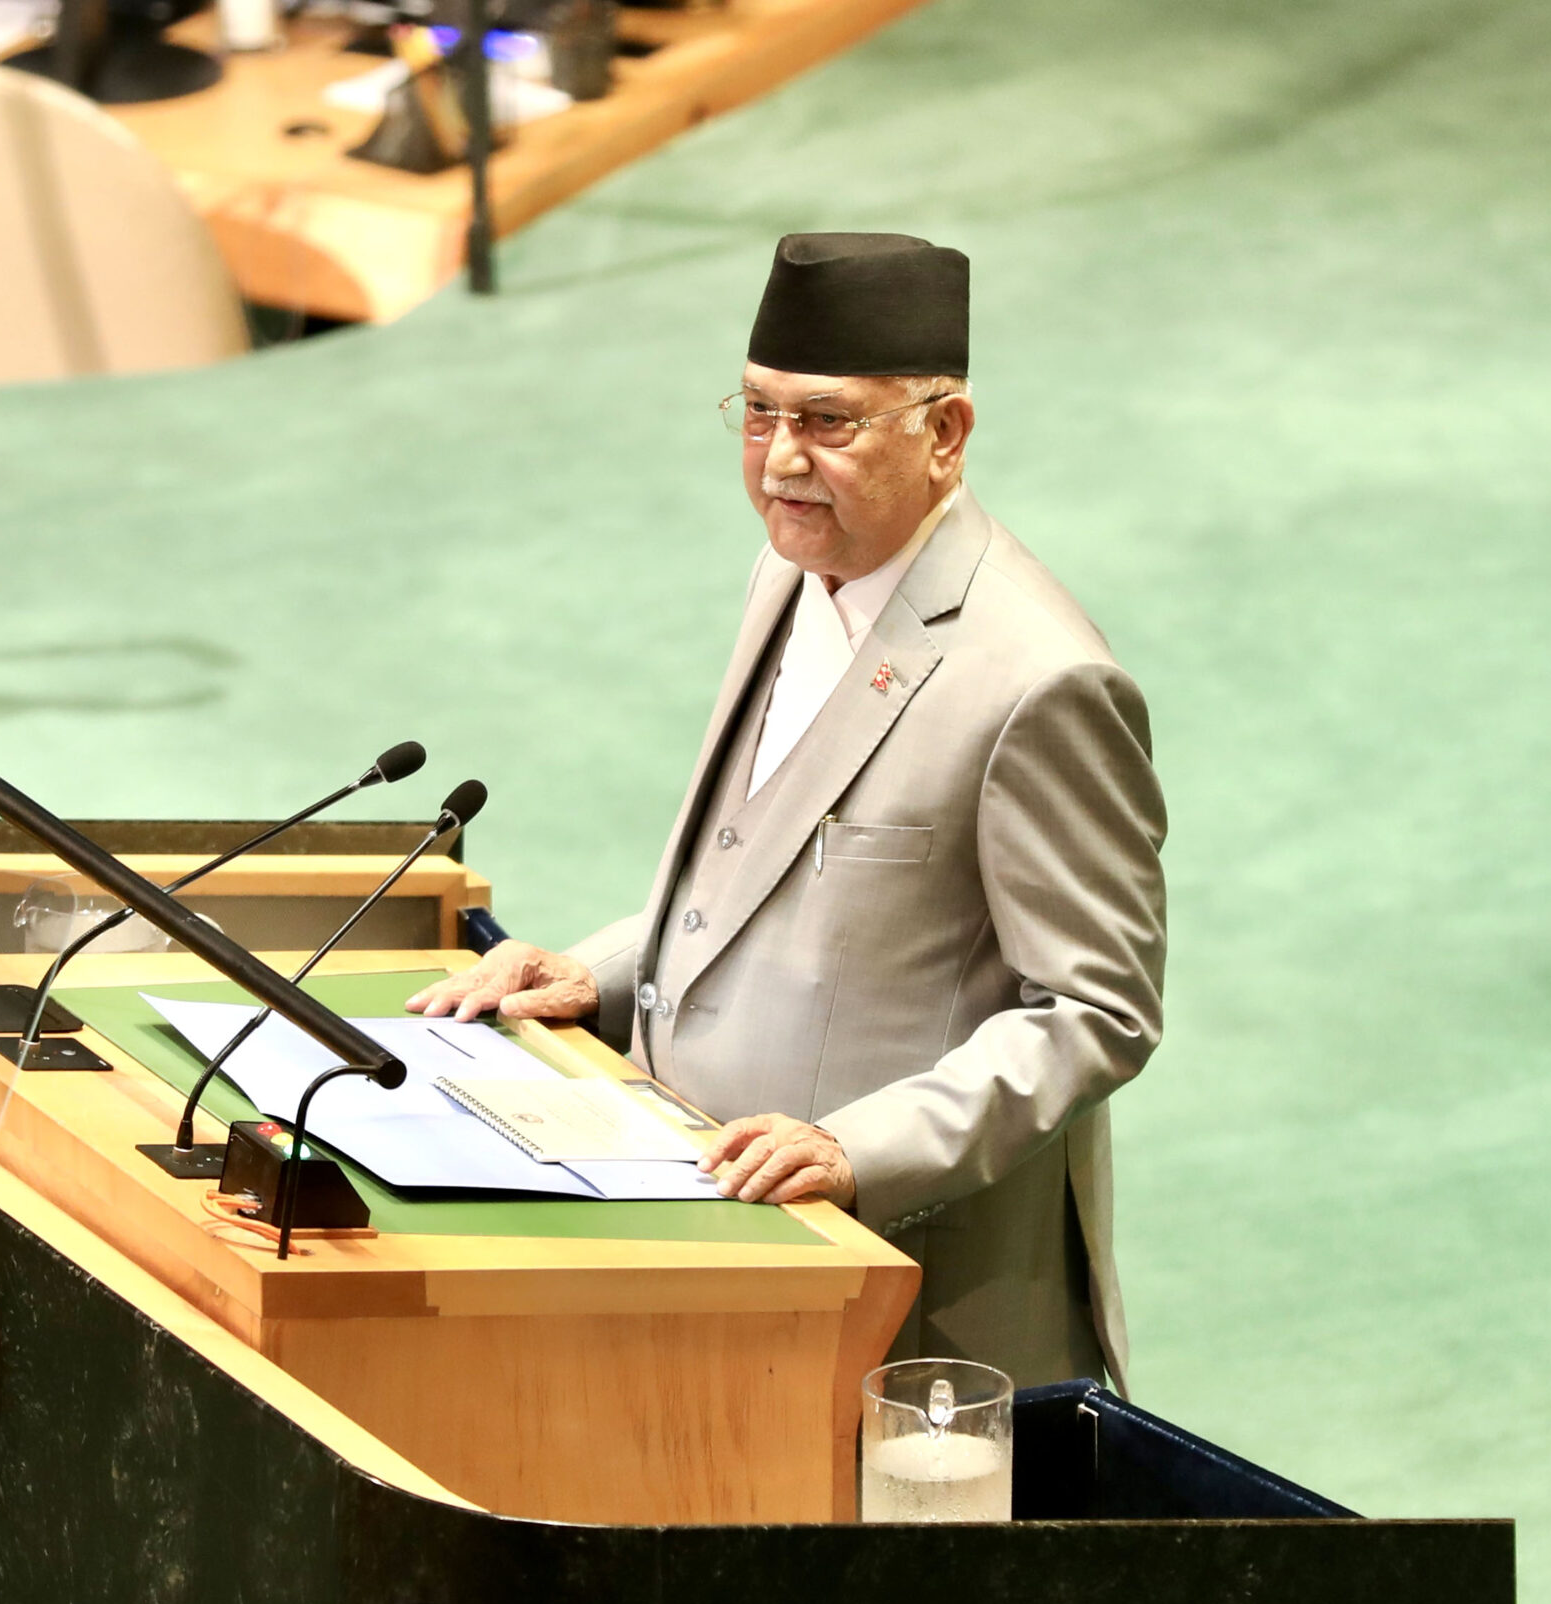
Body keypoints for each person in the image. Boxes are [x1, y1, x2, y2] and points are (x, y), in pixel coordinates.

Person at [409, 233, 1167, 1389]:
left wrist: (853, 1151)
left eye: (827, 422)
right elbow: (762, 869)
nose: (778, 464)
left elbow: (1093, 1009)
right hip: (703, 1225)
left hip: (894, 1300)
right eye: (758, 416)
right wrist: (605, 969)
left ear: (944, 433)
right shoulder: (792, 572)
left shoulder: (1037, 680)